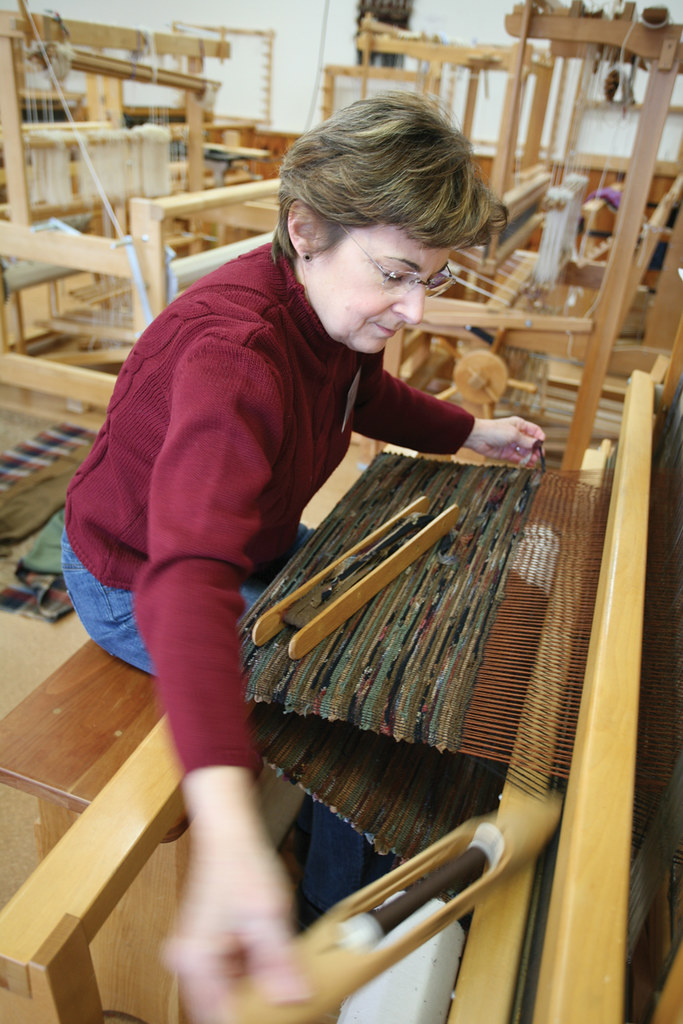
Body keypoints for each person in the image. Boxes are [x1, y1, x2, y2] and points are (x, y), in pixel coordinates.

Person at [62, 90, 545, 1023]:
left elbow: (367, 398)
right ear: (305, 229)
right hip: (133, 576)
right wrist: (229, 819)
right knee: (347, 692)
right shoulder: (236, 352)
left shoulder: (327, 313)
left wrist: (472, 433)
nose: (410, 309)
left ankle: (350, 857)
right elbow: (186, 578)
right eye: (396, 274)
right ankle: (332, 911)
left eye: (430, 282)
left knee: (390, 615)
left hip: (254, 542)